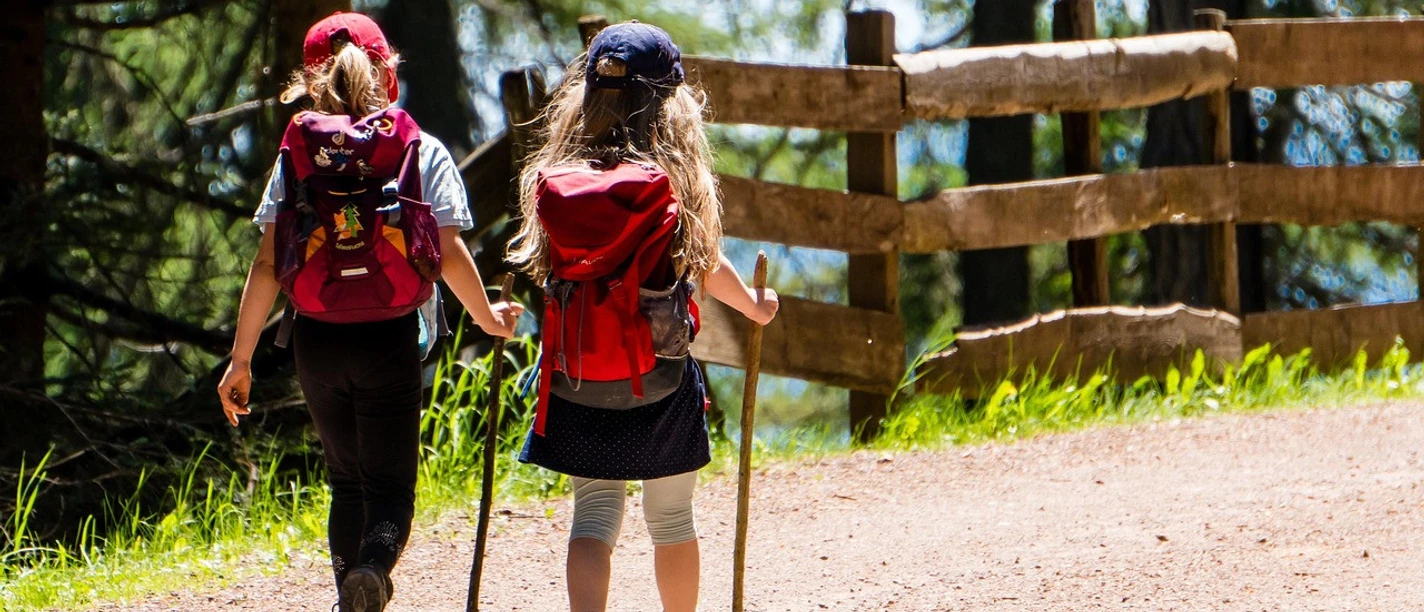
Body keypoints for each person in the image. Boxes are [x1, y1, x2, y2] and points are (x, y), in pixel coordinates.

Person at [216, 12, 522, 612]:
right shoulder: (417, 147)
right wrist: (487, 319)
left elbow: (267, 264)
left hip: (318, 341)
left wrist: (241, 359)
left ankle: (347, 596)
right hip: (390, 337)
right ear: (389, 74)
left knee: (346, 482)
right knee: (390, 489)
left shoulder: (297, 156)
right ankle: (374, 574)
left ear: (312, 80)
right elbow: (449, 252)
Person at [506, 21, 779, 612]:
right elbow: (704, 264)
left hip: (574, 379)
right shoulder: (673, 178)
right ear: (671, 101)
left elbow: (543, 266)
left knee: (594, 513)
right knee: (672, 516)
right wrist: (754, 307)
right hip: (659, 378)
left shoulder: (556, 179)